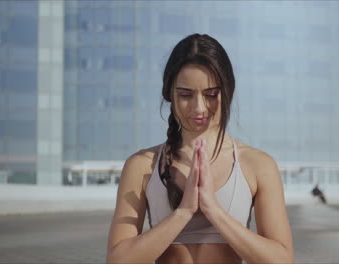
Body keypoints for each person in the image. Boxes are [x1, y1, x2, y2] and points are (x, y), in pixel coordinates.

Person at [106, 33, 294, 264]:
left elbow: (281, 259)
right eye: (186, 95)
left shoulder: (258, 165)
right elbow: (118, 260)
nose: (199, 107)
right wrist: (183, 212)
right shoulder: (142, 165)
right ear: (169, 93)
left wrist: (214, 211)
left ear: (227, 92)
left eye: (211, 95)